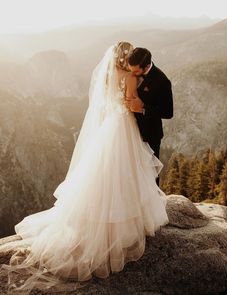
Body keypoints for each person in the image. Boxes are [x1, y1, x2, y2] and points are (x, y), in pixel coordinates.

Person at [0, 41, 169, 295]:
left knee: (104, 174)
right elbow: (130, 102)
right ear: (128, 62)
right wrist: (135, 104)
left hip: (110, 128)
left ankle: (98, 219)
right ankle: (129, 221)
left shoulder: (110, 77)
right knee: (129, 173)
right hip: (126, 128)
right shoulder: (131, 78)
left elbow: (119, 103)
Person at [125, 47, 173, 185]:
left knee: (151, 173)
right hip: (131, 130)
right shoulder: (133, 71)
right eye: (130, 69)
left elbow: (168, 112)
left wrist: (143, 108)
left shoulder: (162, 81)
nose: (132, 73)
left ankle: (154, 204)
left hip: (150, 134)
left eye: (135, 71)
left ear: (146, 66)